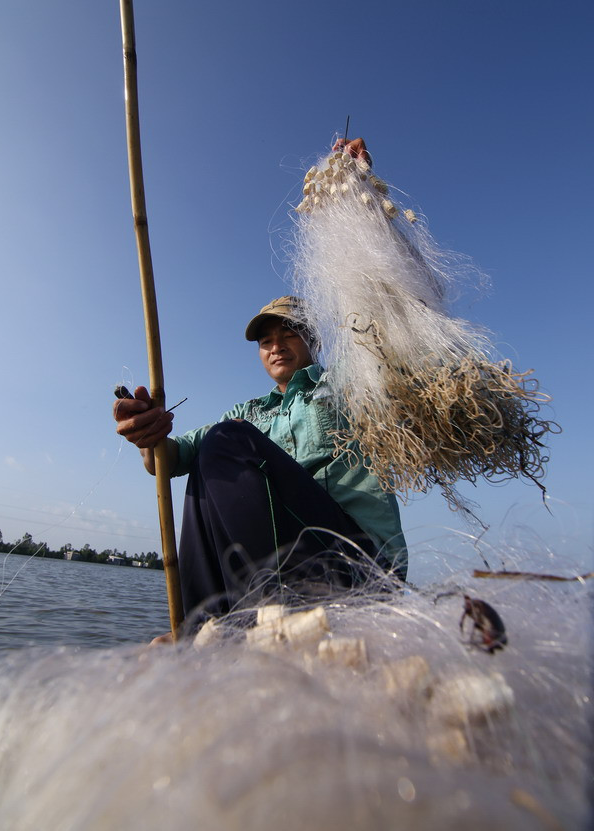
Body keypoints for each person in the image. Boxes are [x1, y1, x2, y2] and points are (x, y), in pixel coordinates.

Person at [114, 139, 407, 626]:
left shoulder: (352, 384)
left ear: (311, 340)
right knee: (209, 460)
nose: (275, 345)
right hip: (292, 556)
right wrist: (148, 436)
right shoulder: (249, 416)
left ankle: (263, 617)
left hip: (360, 564)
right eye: (265, 340)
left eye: (288, 332)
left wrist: (359, 200)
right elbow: (168, 461)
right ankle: (204, 628)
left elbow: (387, 310)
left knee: (224, 442)